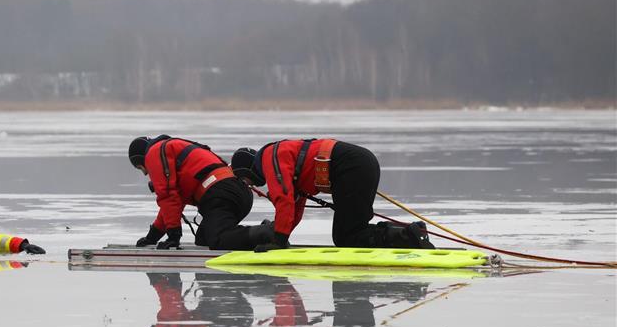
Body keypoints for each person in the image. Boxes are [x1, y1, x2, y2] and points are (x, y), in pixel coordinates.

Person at [230, 139, 434, 251]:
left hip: (352, 167)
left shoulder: (270, 158)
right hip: (358, 163)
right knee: (352, 231)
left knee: (347, 236)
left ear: (247, 171)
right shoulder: (280, 155)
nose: (249, 185)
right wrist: (281, 236)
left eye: (244, 181)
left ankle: (409, 236)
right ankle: (409, 234)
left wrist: (279, 240)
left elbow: (283, 199)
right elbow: (295, 205)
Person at [129, 135, 274, 250]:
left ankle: (268, 232)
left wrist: (173, 236)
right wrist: (153, 236)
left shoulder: (154, 153)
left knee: (218, 240)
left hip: (221, 192)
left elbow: (167, 197)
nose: (145, 173)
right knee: (203, 240)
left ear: (141, 160)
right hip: (232, 191)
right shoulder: (172, 150)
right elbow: (172, 204)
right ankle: (258, 233)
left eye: (140, 168)